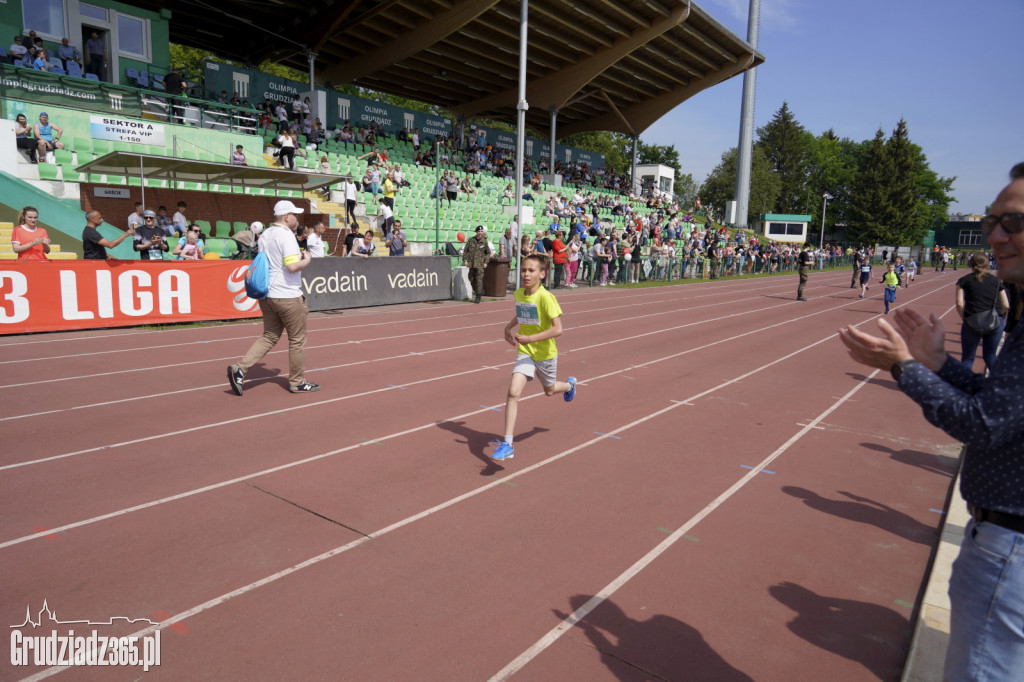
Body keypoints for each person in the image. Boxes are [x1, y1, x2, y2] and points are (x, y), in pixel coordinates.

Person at [838, 168, 1024, 681]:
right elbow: (1002, 406)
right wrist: (942, 365)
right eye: (991, 220)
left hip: (1011, 549)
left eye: (1013, 221)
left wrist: (905, 367)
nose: (995, 235)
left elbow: (984, 426)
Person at [490, 252, 577, 461]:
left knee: (549, 390)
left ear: (542, 274)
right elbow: (523, 313)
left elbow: (558, 329)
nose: (526, 274)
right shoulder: (520, 294)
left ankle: (569, 386)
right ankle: (508, 444)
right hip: (525, 351)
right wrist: (508, 327)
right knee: (513, 392)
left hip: (546, 353)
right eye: (524, 270)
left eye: (531, 271)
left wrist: (533, 338)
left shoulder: (547, 297)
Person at [228, 200, 319, 396]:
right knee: (297, 340)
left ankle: (240, 369)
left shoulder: (266, 234)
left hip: (267, 295)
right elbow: (292, 267)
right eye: (295, 215)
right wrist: (307, 260)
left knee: (269, 335)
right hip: (287, 294)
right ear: (287, 217)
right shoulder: (285, 236)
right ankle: (297, 382)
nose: (297, 219)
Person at [956, 253, 1010, 372]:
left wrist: (965, 318)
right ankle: (999, 384)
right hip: (994, 321)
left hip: (972, 320)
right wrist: (1001, 316)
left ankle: (965, 385)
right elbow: (1005, 304)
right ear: (987, 264)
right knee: (991, 357)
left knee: (968, 358)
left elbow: (959, 304)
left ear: (971, 264)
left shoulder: (964, 280)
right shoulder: (996, 281)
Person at [463, 225, 491, 304]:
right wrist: (465, 260)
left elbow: (488, 252)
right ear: (476, 232)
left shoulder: (484, 241)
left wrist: (486, 262)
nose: (480, 233)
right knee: (471, 278)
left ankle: (478, 296)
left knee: (479, 280)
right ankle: (479, 290)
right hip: (471, 264)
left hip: (480, 265)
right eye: (479, 231)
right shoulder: (471, 240)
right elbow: (465, 251)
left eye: (481, 231)